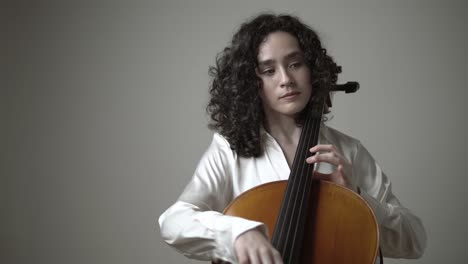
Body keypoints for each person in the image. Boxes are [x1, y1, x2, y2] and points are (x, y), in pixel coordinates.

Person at [158, 13, 426, 264]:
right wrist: (238, 232)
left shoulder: (347, 152)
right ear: (251, 82)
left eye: (295, 64)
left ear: (313, 71)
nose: (286, 79)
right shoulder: (229, 150)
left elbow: (414, 241)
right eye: (269, 70)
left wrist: (356, 196)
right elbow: (174, 222)